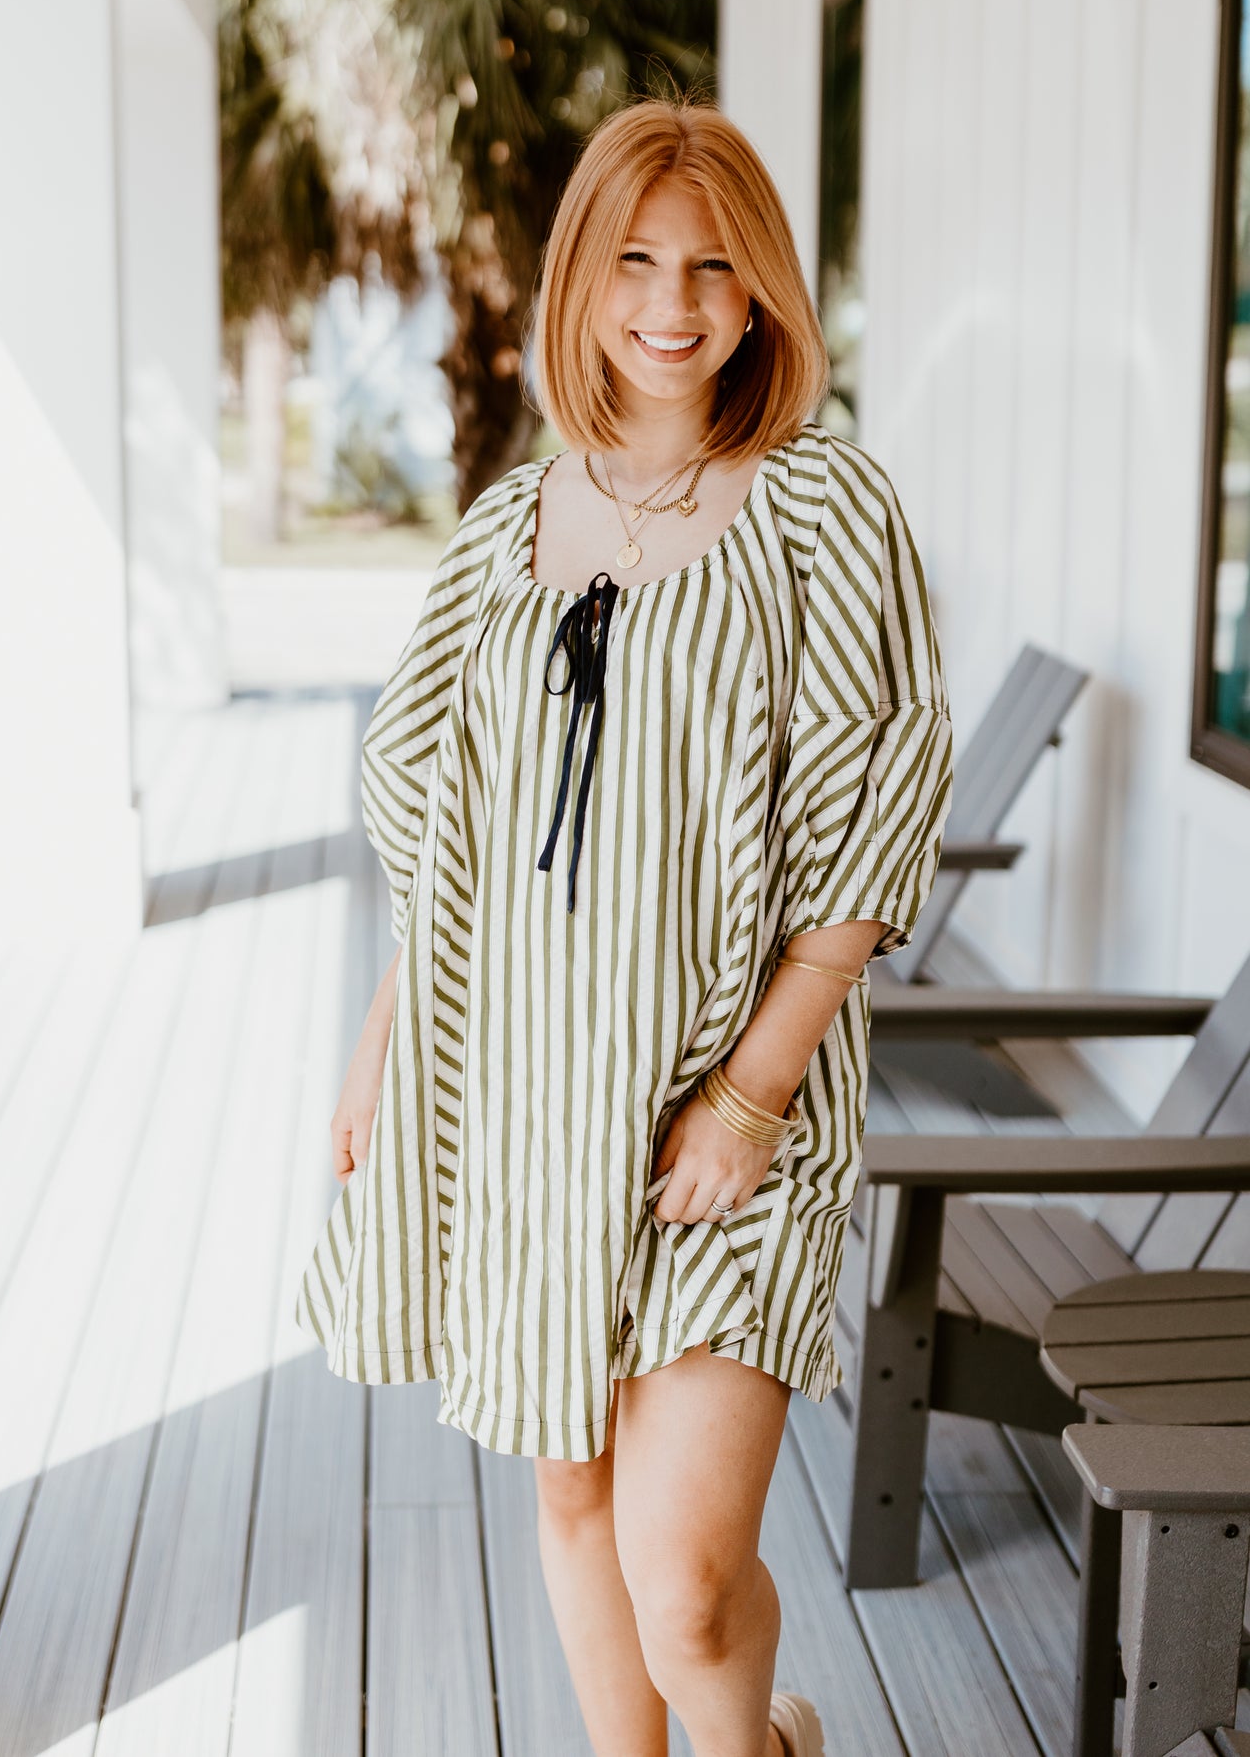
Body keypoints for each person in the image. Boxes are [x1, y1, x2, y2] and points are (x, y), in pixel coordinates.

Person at [296, 98, 954, 1757]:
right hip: (521, 1092)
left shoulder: (820, 511)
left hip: (735, 1105)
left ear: (764, 295)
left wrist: (749, 1098)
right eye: (638, 262)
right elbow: (441, 827)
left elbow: (882, 808)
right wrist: (384, 1050)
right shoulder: (498, 539)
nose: (674, 306)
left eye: (716, 267)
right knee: (577, 1509)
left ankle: (762, 1739)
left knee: (691, 1578)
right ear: (581, 280)